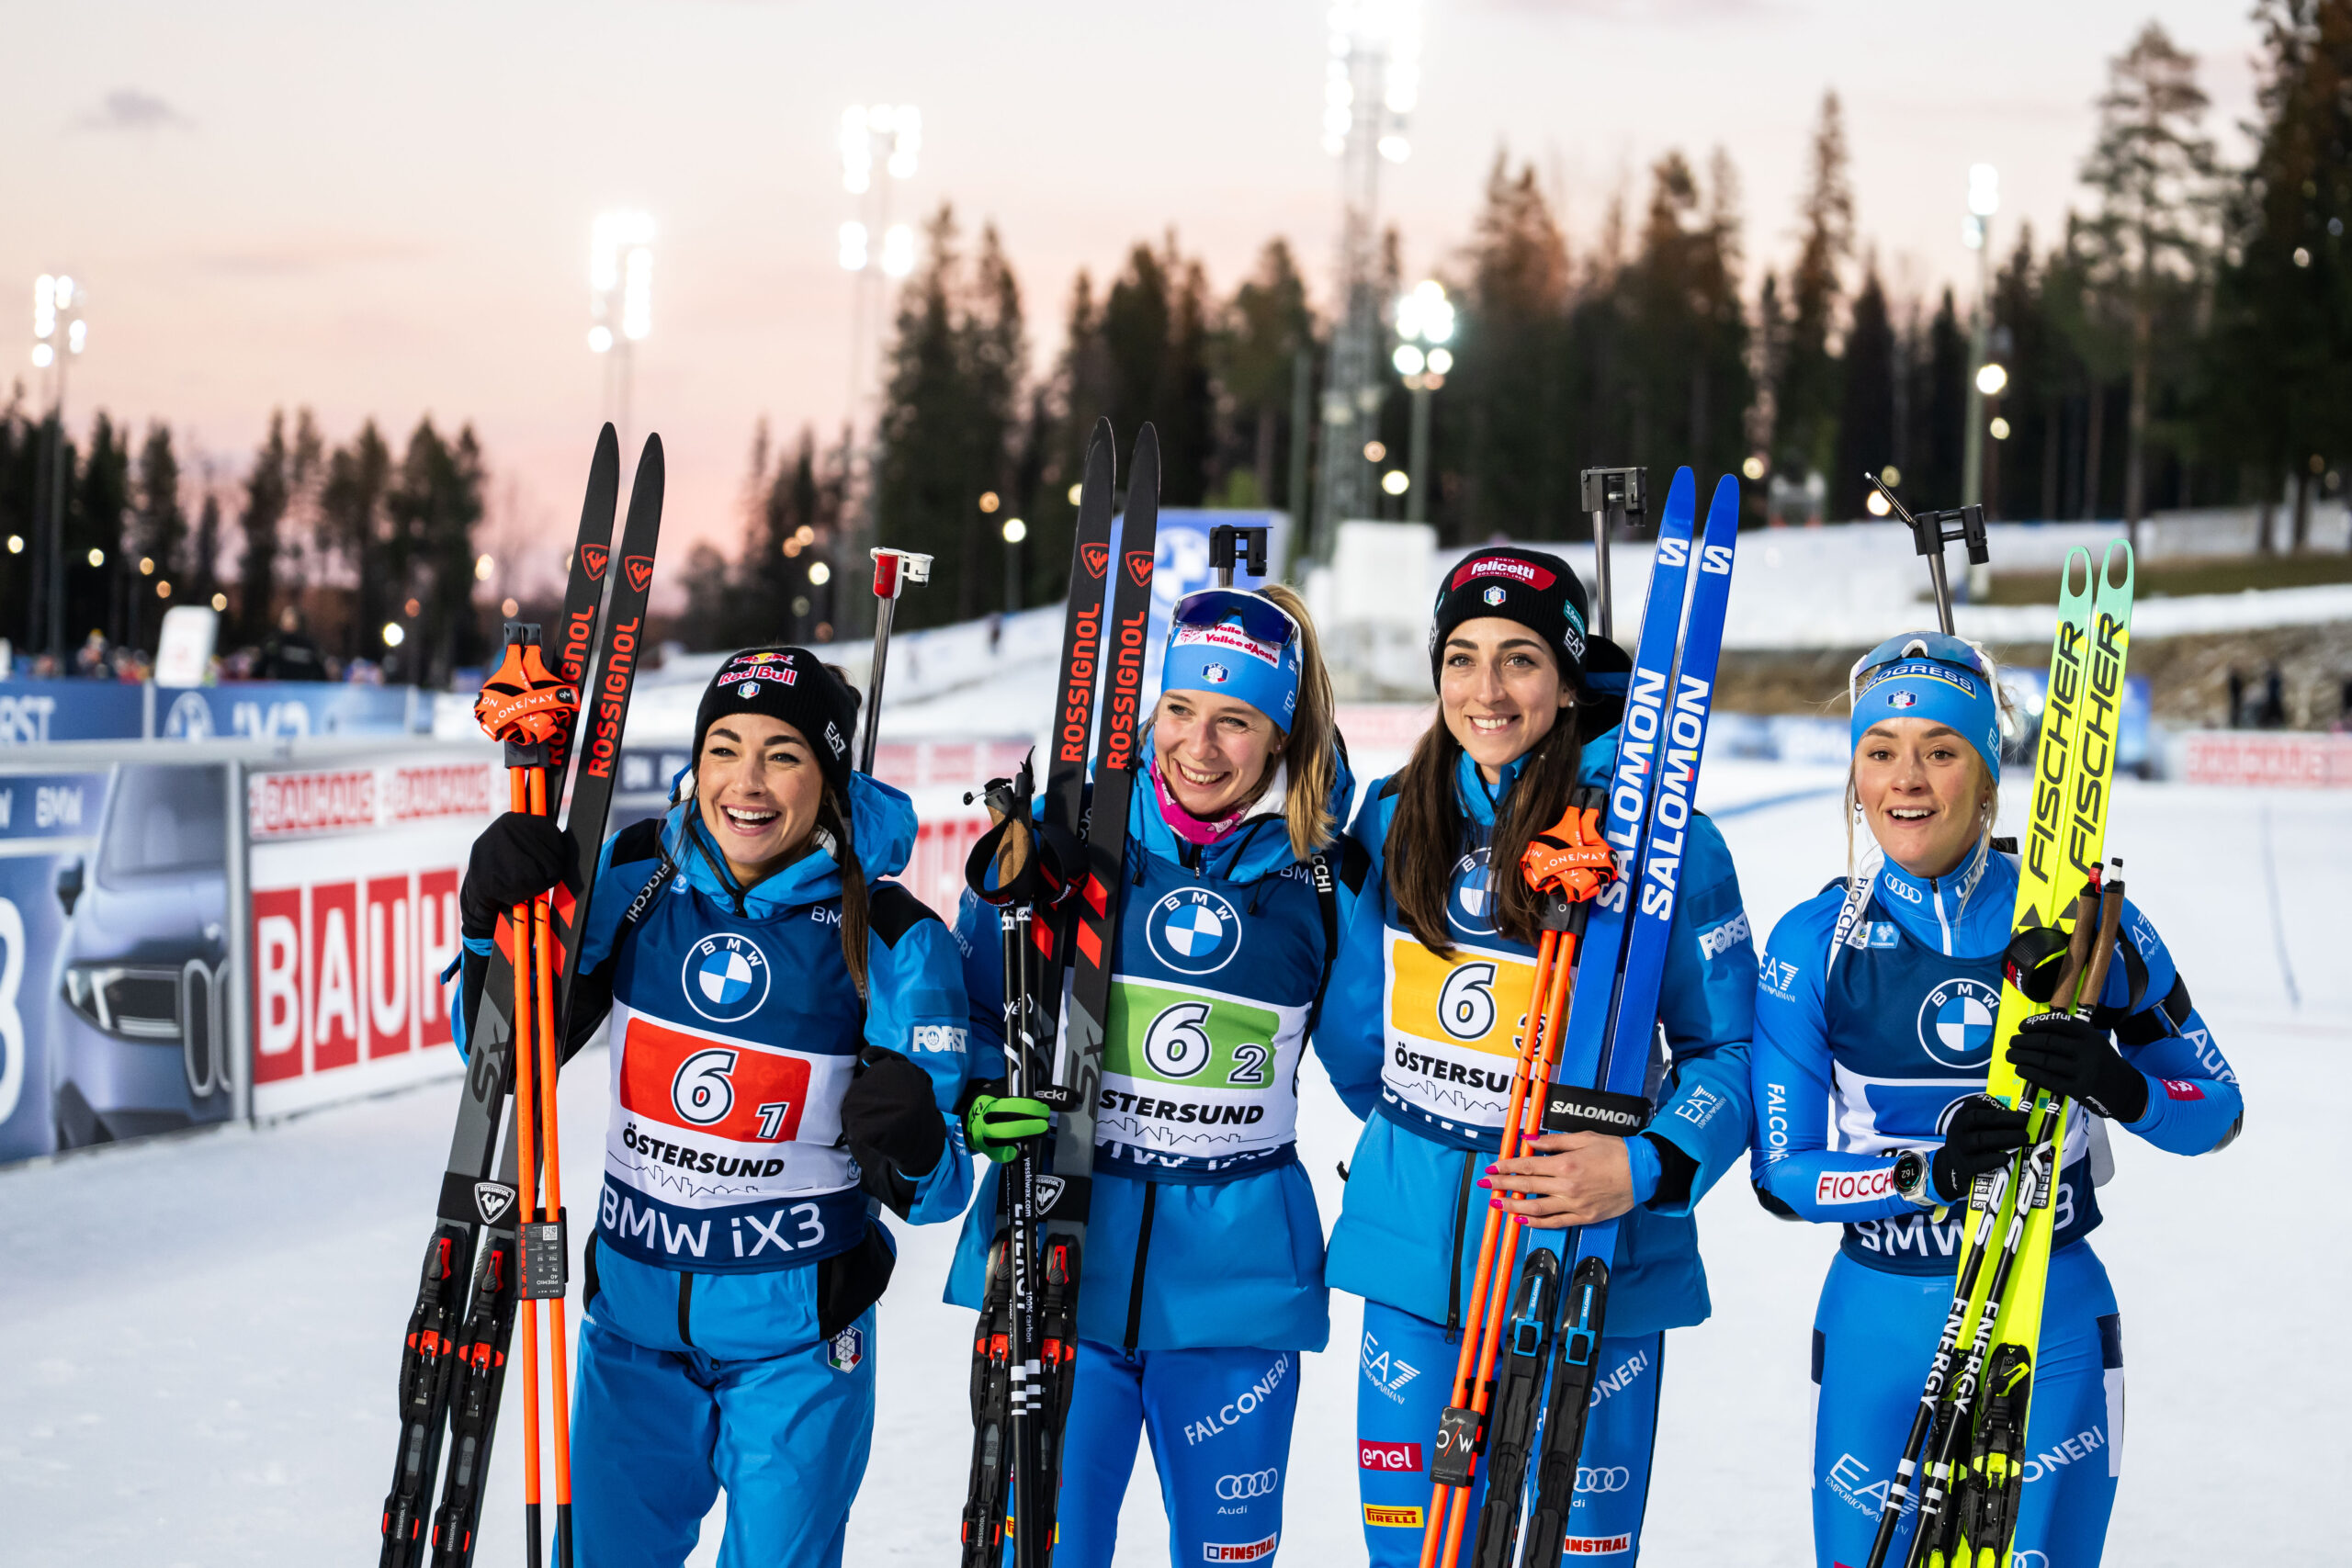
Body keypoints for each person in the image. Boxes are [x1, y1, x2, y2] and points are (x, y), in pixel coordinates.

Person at [453, 646, 975, 1568]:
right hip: (632, 1329)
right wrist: (487, 929)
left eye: (782, 754)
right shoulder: (634, 877)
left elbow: (936, 1194)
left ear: (830, 777)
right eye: (724, 747)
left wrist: (918, 1134)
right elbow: (499, 1058)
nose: (747, 781)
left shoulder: (891, 936)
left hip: (798, 1345)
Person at [1747, 632, 2245, 1568]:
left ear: (1986, 777)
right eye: (1880, 751)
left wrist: (2119, 1084)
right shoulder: (1813, 942)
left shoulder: (2088, 926)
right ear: (1853, 775)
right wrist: (1925, 1173)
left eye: (1941, 751)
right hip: (1877, 1320)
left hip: (2046, 1313)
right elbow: (1782, 1175)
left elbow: (2216, 1107)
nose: (1908, 781)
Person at [1320, 547, 1758, 1562]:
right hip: (1416, 1254)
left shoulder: (1665, 839)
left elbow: (1727, 1050)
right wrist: (1423, 1149)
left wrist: (1641, 1164)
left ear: (1567, 683)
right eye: (1461, 657)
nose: (1486, 689)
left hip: (1591, 1256)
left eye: (1520, 660)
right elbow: (1356, 1038)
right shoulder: (1392, 817)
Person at [944, 583, 1364, 1566]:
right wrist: (971, 1100)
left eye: (1235, 721)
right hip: (1057, 1248)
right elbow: (967, 1013)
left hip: (1237, 1285)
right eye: (1179, 711)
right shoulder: (1067, 837)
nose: (1200, 747)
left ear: (1282, 735)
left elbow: (1377, 1065)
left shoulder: (1327, 876)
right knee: (1044, 1549)